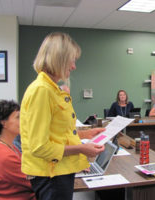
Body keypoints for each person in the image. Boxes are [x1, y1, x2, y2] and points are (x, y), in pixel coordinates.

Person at [20, 32, 105, 200]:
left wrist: (85, 135)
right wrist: (82, 148)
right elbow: (40, 147)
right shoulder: (42, 90)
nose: (73, 66)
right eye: (72, 60)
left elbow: (56, 133)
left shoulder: (50, 89)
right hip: (51, 174)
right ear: (58, 59)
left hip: (57, 172)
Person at [0, 100, 36, 200]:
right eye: (18, 117)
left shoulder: (10, 147)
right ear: (4, 123)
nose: (23, 121)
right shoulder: (5, 156)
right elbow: (33, 183)